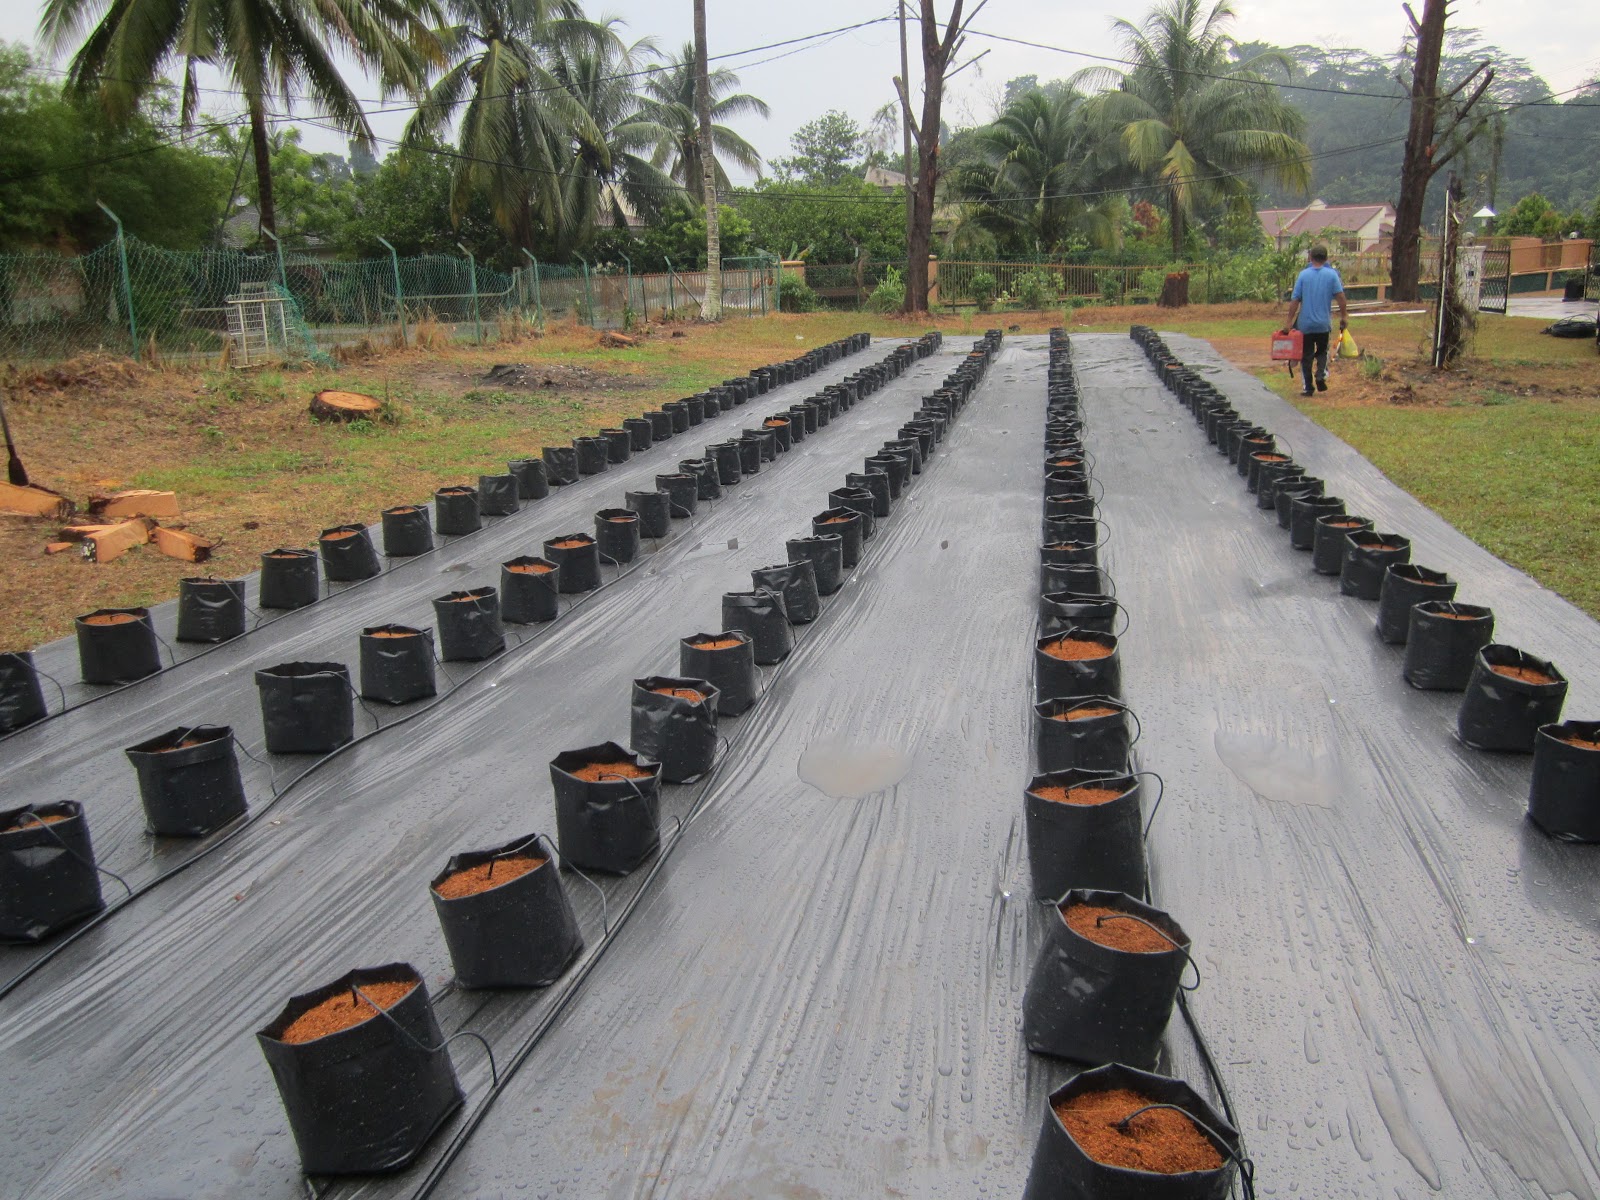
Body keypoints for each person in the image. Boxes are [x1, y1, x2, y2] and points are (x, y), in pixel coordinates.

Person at [1282, 245, 1349, 396]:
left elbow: (1295, 300)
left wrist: (1289, 321)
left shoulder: (1303, 275)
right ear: (1326, 258)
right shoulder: (1332, 275)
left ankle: (1308, 388)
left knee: (1306, 355)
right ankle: (1320, 374)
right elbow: (1341, 297)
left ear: (1311, 257)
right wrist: (1344, 316)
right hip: (1323, 324)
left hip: (1305, 325)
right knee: (1322, 351)